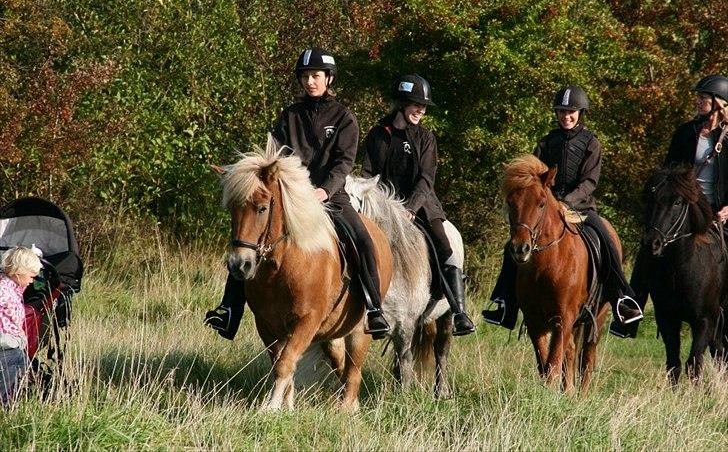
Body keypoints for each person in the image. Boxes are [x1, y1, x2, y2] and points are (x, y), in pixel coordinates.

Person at [205, 47, 390, 339]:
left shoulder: (344, 118)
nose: (310, 82)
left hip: (330, 195)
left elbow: (344, 163)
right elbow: (273, 156)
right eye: (305, 76)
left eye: (316, 75)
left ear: (329, 78)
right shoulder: (289, 116)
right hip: (290, 197)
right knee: (248, 239)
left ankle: (375, 309)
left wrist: (325, 191)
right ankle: (229, 310)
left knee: (363, 239)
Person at [481, 85, 643, 334]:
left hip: (582, 208)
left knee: (606, 240)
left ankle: (622, 298)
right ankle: (504, 303)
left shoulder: (591, 143)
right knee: (511, 247)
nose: (566, 116)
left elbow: (590, 181)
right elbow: (532, 178)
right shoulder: (546, 142)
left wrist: (567, 201)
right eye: (561, 111)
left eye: (571, 112)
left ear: (580, 113)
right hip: (547, 209)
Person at [361, 74, 475, 336]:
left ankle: (458, 311)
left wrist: (410, 208)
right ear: (402, 103)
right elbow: (368, 174)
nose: (421, 110)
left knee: (444, 244)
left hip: (421, 206)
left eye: (423, 107)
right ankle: (371, 307)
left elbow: (426, 179)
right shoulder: (379, 134)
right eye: (416, 104)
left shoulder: (425, 138)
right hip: (383, 207)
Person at [617, 75, 728, 338]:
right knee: (650, 245)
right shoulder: (685, 133)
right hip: (685, 208)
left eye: (704, 97)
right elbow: (668, 172)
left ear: (719, 103)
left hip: (719, 209)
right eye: (699, 97)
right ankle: (632, 312)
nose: (699, 101)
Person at [0, 246, 41, 404]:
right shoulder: (4, 291)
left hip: (7, 343)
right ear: (18, 272)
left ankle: (8, 399)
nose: (32, 281)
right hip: (5, 344)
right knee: (19, 359)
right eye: (31, 276)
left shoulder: (14, 289)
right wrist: (17, 341)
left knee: (21, 359)